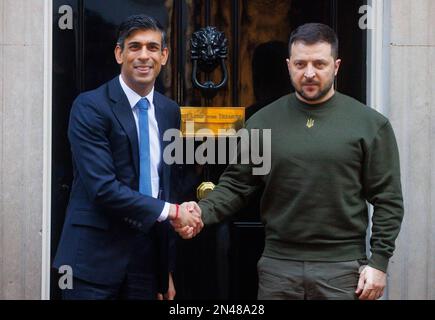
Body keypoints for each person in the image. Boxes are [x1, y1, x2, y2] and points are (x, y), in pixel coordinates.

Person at [175, 23, 404, 300]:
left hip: (343, 270)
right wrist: (201, 212)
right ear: (288, 65)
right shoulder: (262, 121)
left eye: (319, 63)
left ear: (337, 66)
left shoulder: (370, 125)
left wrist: (378, 261)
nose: (309, 73)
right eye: (300, 64)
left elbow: (387, 200)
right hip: (278, 269)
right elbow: (237, 184)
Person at [53, 14, 201, 300]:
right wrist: (174, 211)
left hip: (146, 264)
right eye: (134, 47)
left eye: (152, 47)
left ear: (165, 55)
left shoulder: (169, 111)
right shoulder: (90, 107)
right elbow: (103, 188)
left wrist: (165, 270)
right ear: (119, 54)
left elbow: (165, 187)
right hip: (93, 261)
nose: (144, 56)